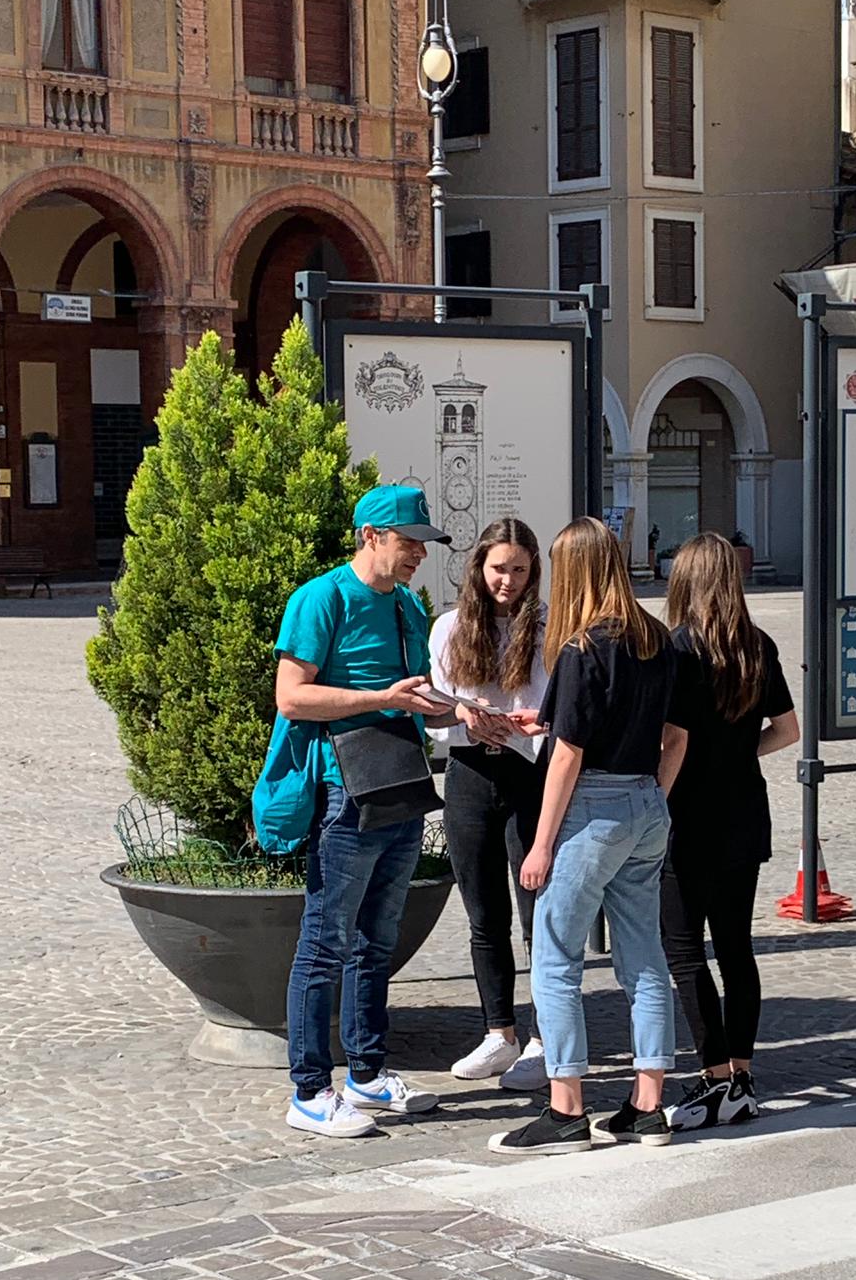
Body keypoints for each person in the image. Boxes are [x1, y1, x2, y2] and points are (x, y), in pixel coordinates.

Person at [488, 516, 688, 1156]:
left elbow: (572, 754)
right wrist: (649, 792)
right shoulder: (656, 637)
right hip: (645, 802)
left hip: (590, 808)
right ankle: (648, 1106)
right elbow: (674, 736)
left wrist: (542, 843)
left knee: (554, 958)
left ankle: (566, 1108)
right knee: (643, 959)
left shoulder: (580, 647)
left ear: (574, 571)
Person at [275, 484, 454, 1138]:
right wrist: (381, 696)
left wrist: (460, 711)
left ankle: (368, 1073)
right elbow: (292, 699)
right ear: (371, 536)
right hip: (345, 788)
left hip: (401, 782)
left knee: (377, 939)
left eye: (422, 545)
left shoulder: (407, 606)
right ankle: (307, 1090)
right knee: (326, 940)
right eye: (408, 543)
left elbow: (413, 695)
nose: (417, 556)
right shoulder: (320, 600)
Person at [660, 532, 799, 1132]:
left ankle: (714, 1075)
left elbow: (670, 741)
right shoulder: (757, 646)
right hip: (745, 813)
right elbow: (789, 731)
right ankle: (741, 1074)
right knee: (737, 948)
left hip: (688, 818)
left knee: (684, 951)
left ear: (685, 582)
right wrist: (742, 754)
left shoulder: (679, 651)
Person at [428, 518, 549, 1091]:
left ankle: (547, 1036)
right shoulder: (450, 628)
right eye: (499, 568)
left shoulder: (547, 627)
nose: (509, 581)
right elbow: (434, 711)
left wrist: (521, 724)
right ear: (479, 567)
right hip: (470, 774)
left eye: (520, 570)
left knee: (537, 916)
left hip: (530, 774)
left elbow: (553, 707)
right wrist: (463, 715)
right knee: (484, 915)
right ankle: (499, 1032)